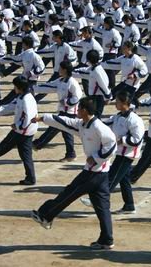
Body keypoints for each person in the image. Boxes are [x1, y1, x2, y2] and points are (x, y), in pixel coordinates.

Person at [32, 96, 117, 250]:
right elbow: (64, 122)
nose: (76, 111)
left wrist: (96, 158)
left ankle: (45, 215)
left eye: (78, 109)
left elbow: (112, 144)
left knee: (68, 193)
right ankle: (107, 240)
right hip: (101, 175)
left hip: (94, 173)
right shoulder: (82, 124)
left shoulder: (99, 127)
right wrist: (43, 118)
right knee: (102, 208)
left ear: (84, 110)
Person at [81, 91, 145, 214]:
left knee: (111, 178)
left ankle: (96, 201)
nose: (115, 103)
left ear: (124, 103)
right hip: (121, 152)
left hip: (127, 155)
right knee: (124, 180)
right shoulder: (118, 116)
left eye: (118, 101)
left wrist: (121, 140)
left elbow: (137, 139)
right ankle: (129, 205)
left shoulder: (135, 120)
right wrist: (91, 122)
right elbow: (105, 123)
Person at [0, 76, 38, 185]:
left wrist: (18, 126)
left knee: (2, 148)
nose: (14, 89)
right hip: (26, 131)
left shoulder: (26, 100)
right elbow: (11, 107)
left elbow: (28, 117)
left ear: (19, 88)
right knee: (25, 155)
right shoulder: (23, 97)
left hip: (22, 131)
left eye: (15, 86)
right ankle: (30, 178)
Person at [32, 61, 82, 161]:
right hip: (63, 111)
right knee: (66, 132)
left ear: (65, 70)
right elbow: (48, 86)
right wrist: (32, 88)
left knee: (55, 127)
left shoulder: (72, 83)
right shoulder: (60, 81)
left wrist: (65, 102)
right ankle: (70, 154)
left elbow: (77, 97)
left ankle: (38, 144)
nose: (58, 70)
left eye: (60, 68)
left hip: (70, 112)